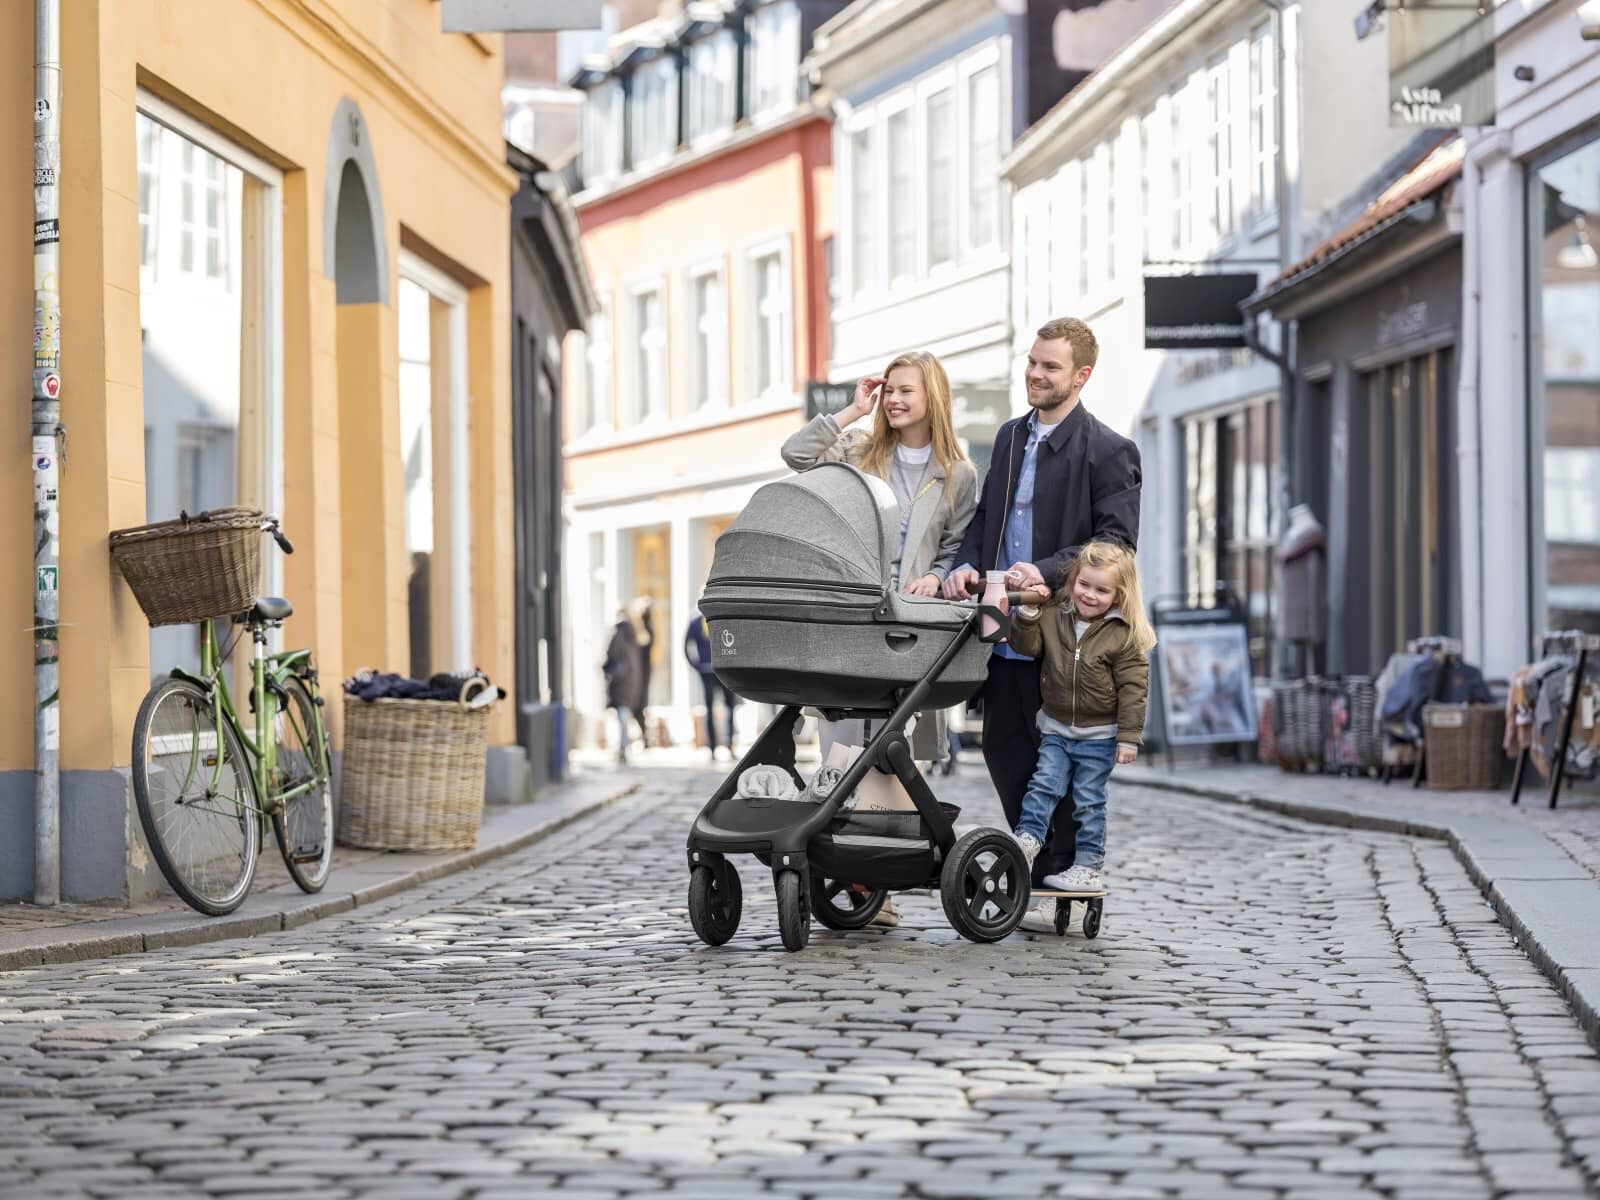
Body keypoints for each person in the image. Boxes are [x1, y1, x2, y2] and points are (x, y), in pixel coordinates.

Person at [941, 317, 1140, 932]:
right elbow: (984, 522)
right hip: (1002, 628)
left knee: (1060, 759)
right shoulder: (1007, 438)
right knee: (1005, 749)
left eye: (1049, 367)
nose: (1035, 374)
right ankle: (1043, 864)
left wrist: (1050, 571)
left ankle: (1061, 872)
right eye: (1032, 362)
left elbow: (1117, 542)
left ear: (1081, 376)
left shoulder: (1108, 450)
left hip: (1065, 635)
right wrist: (965, 565)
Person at [782, 349, 978, 927]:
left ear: (931, 399)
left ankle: (876, 877)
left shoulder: (958, 475)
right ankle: (851, 873)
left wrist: (938, 578)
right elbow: (795, 455)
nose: (893, 400)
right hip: (851, 619)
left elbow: (954, 547)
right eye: (888, 389)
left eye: (905, 391)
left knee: (890, 754)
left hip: (909, 627)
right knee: (841, 749)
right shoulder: (858, 451)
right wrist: (851, 411)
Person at [1007, 541, 1154, 893]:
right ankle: (1027, 839)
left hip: (1100, 735)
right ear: (1073, 580)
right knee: (1044, 785)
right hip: (1056, 727)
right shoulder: (1056, 614)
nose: (1090, 595)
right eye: (1084, 585)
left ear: (1119, 595)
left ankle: (1088, 866)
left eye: (1102, 590)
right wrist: (1028, 616)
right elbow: (1026, 646)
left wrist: (1128, 738)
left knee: (1089, 801)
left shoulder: (1123, 635)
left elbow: (1134, 688)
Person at [685, 608, 738, 759]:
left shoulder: (722, 618)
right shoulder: (695, 622)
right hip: (707, 671)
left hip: (724, 670)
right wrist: (697, 666)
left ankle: (730, 745)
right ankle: (713, 749)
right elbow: (687, 646)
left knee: (730, 707)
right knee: (709, 708)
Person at [603, 609, 644, 764]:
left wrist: (608, 671)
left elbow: (611, 655)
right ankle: (624, 747)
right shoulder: (633, 634)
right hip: (631, 681)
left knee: (621, 717)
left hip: (620, 681)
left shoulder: (618, 633)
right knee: (623, 716)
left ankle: (622, 748)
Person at [629, 597, 656, 747]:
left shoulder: (643, 629)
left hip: (640, 672)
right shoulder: (642, 628)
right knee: (638, 706)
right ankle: (644, 737)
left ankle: (644, 737)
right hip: (640, 671)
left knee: (638, 706)